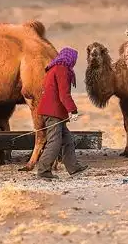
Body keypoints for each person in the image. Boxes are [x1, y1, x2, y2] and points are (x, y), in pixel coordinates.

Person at [36, 47, 88, 179]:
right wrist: (73, 110)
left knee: (67, 139)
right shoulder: (62, 69)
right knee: (55, 141)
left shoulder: (55, 68)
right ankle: (43, 171)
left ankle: (73, 167)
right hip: (53, 112)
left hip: (54, 111)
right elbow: (64, 94)